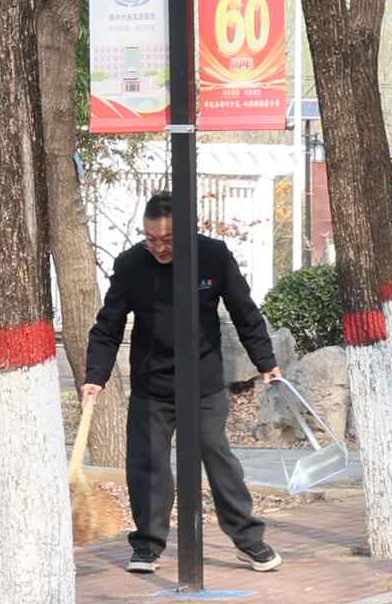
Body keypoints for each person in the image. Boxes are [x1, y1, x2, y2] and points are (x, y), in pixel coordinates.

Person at [83, 192, 287, 577]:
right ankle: (147, 544)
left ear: (187, 231)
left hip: (203, 383)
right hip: (151, 384)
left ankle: (249, 541)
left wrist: (267, 363)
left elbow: (245, 313)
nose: (158, 247)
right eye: (150, 238)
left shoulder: (212, 256)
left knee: (217, 456)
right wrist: (96, 376)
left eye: (167, 239)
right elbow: (107, 326)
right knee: (148, 466)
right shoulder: (131, 265)